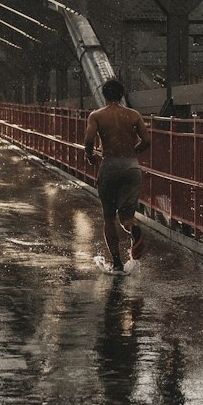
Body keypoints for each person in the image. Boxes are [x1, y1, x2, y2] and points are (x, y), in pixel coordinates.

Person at [84, 78, 152, 272]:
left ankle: (117, 263)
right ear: (121, 95)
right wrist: (132, 152)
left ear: (104, 95)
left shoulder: (97, 116)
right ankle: (134, 229)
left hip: (110, 166)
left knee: (108, 217)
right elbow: (147, 140)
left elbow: (89, 140)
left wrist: (90, 156)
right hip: (131, 167)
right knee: (127, 216)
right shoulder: (133, 115)